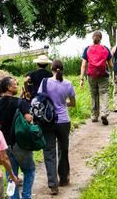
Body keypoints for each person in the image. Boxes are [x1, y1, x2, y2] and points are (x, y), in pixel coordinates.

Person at [37, 59, 76, 196]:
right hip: (64, 121)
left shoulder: (45, 82)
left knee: (49, 152)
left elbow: (39, 99)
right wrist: (63, 103)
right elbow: (72, 103)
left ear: (52, 69)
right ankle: (64, 179)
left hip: (48, 121)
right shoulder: (68, 84)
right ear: (62, 69)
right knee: (63, 150)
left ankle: (53, 185)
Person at [0, 77, 35, 199]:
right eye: (15, 85)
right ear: (8, 87)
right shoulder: (19, 102)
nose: (17, 86)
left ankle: (14, 197)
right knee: (29, 170)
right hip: (20, 142)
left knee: (11, 173)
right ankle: (26, 196)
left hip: (5, 144)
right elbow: (29, 119)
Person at [79, 31, 112, 125]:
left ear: (93, 38)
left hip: (91, 76)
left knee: (94, 94)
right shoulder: (105, 49)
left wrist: (81, 79)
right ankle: (104, 113)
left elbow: (83, 65)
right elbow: (110, 64)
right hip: (103, 75)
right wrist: (111, 72)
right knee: (104, 93)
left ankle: (94, 115)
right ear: (100, 38)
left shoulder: (87, 49)